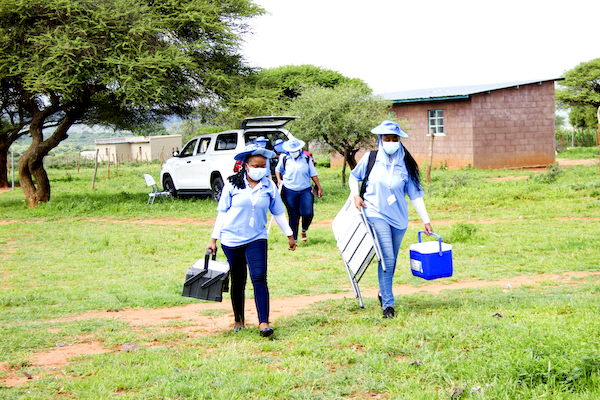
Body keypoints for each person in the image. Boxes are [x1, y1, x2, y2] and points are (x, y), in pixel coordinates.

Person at [207, 144, 297, 337]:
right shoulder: (232, 184)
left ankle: (263, 322)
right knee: (238, 280)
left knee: (259, 277)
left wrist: (289, 235)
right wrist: (213, 239)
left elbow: (279, 213)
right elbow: (222, 213)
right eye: (256, 165)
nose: (260, 169)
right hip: (231, 239)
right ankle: (239, 320)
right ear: (246, 165)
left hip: (257, 237)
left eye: (263, 165)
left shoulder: (269, 186)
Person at [349, 120, 434, 319]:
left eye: (394, 139)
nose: (391, 142)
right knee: (386, 255)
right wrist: (356, 195)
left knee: (391, 259)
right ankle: (388, 305)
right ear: (380, 140)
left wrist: (426, 220)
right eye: (387, 139)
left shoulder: (406, 164)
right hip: (375, 212)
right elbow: (354, 177)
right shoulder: (370, 158)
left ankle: (382, 291)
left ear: (399, 140)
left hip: (399, 219)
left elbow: (415, 195)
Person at [275, 138, 323, 242]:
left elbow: (313, 173)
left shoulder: (306, 158)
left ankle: (304, 229)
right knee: (293, 214)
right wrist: (279, 180)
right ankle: (294, 240)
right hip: (289, 190)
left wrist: (318, 187)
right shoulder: (284, 158)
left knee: (308, 213)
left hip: (305, 189)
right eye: (292, 151)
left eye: (295, 150)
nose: (293, 152)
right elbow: (278, 170)